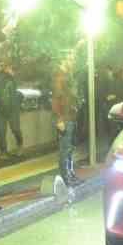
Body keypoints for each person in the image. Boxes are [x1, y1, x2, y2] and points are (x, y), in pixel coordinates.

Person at [52, 53, 79, 186]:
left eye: (73, 59)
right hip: (65, 118)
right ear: (63, 61)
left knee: (70, 148)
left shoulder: (69, 76)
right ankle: (65, 177)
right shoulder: (60, 77)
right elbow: (56, 99)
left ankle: (70, 173)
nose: (72, 61)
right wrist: (59, 119)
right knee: (65, 149)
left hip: (71, 116)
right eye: (70, 59)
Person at [0, 62, 24, 157]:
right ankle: (3, 151)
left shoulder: (11, 76)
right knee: (1, 132)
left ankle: (20, 145)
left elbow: (16, 88)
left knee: (16, 129)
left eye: (3, 65)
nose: (1, 67)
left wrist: (11, 75)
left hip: (12, 108)